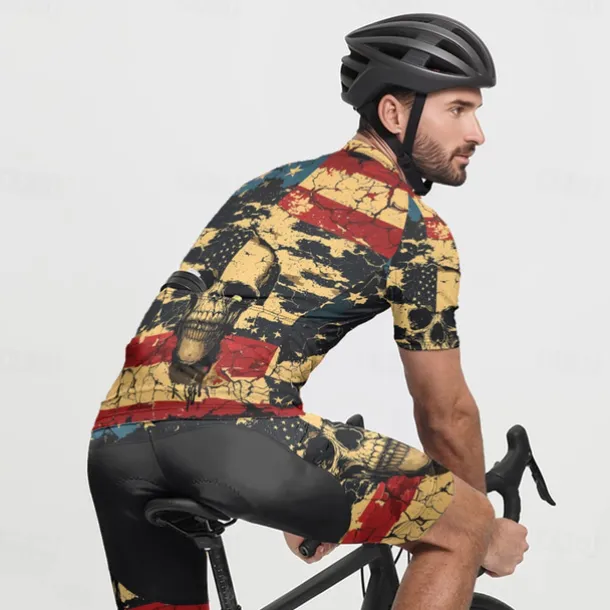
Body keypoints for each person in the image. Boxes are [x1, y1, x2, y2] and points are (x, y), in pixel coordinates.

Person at [87, 13, 529, 610]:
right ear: (393, 114)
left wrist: (304, 489)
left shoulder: (265, 187)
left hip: (116, 446)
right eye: (458, 109)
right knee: (464, 525)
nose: (477, 132)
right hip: (238, 442)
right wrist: (476, 524)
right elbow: (445, 411)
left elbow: (224, 332)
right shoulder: (416, 230)